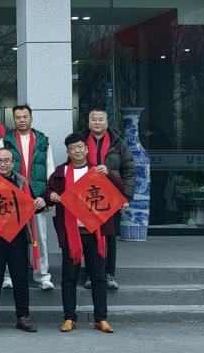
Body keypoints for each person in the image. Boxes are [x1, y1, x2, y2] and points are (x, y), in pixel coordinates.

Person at [45, 133, 127, 333]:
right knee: (69, 277)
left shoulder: (97, 170)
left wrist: (109, 173)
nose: (77, 151)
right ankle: (69, 318)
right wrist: (50, 195)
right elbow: (47, 192)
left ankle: (101, 318)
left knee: (99, 277)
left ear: (87, 149)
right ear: (68, 152)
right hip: (71, 232)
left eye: (80, 147)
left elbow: (121, 189)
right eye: (73, 148)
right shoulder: (61, 172)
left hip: (96, 232)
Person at [0, 148, 43, 333]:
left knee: (20, 277)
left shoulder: (22, 182)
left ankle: (23, 317)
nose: (2, 164)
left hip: (17, 237)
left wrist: (40, 203)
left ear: (13, 163)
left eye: (6, 161)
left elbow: (32, 205)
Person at [0, 105, 56, 290]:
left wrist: (47, 198)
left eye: (25, 117)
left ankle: (42, 275)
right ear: (13, 119)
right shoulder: (5, 141)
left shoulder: (43, 142)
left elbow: (50, 170)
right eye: (18, 117)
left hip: (36, 197)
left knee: (40, 238)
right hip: (12, 199)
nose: (22, 120)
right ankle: (8, 276)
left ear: (31, 118)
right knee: (9, 238)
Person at [78, 107, 135, 290]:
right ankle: (90, 273)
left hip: (111, 197)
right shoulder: (80, 142)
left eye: (100, 119)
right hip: (87, 196)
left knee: (109, 237)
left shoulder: (118, 143)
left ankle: (109, 273)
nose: (97, 122)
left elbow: (129, 171)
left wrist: (126, 197)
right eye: (93, 119)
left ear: (107, 122)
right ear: (88, 122)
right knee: (88, 237)